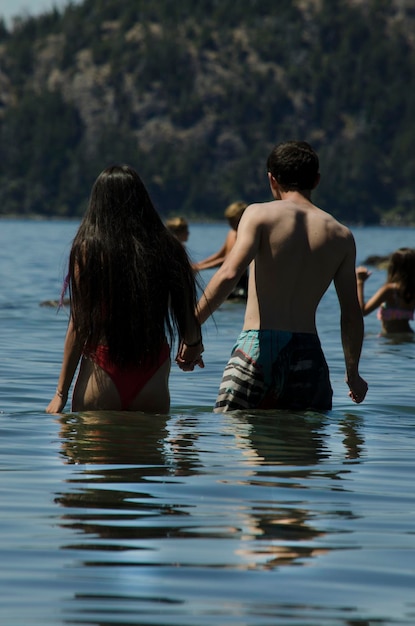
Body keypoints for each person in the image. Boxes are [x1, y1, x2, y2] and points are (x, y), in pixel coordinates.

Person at [176, 141, 368, 411]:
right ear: (316, 180)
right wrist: (353, 373)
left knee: (242, 439)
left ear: (272, 179)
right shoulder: (341, 235)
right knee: (304, 449)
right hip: (309, 355)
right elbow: (350, 311)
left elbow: (230, 272)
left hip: (257, 348)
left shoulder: (259, 214)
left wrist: (191, 330)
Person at [46, 165, 203, 414]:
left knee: (86, 452)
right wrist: (194, 347)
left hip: (103, 367)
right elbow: (186, 312)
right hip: (153, 369)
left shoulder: (89, 250)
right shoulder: (169, 247)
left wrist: (60, 394)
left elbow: (79, 324)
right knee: (148, 453)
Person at [193, 201, 248, 299]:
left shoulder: (245, 237)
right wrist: (199, 264)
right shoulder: (231, 233)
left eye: (232, 220)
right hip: (227, 281)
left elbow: (228, 259)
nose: (230, 224)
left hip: (239, 282)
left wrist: (201, 268)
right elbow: (220, 254)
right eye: (229, 220)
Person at [356, 247, 415, 335]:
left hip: (390, 338)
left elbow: (362, 311)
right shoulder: (412, 291)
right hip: (409, 335)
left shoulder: (389, 290)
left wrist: (360, 282)